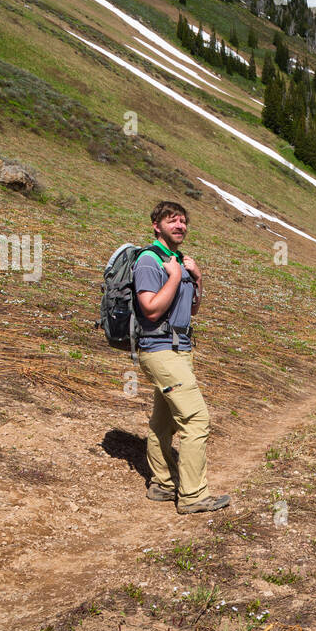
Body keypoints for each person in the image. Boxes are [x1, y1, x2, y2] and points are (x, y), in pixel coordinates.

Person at [132, 201, 230, 514]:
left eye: (184, 222)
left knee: (165, 421)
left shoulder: (179, 260)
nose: (180, 226)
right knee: (196, 419)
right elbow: (150, 307)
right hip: (160, 350)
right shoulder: (149, 260)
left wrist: (197, 278)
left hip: (180, 349)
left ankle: (162, 484)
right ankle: (193, 496)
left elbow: (191, 310)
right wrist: (174, 277)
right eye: (172, 221)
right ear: (156, 225)